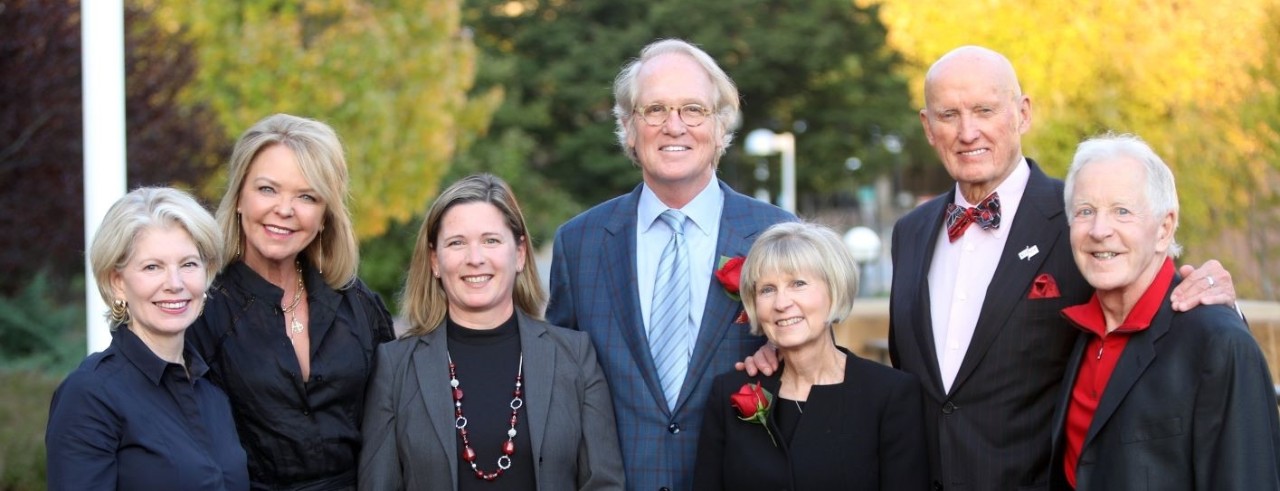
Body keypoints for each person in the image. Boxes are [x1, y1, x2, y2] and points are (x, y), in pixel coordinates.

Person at [885, 46, 1239, 490]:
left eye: (984, 110)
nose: (968, 131)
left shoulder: (1083, 221)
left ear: (1023, 113)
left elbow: (1162, 305)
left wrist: (1221, 297)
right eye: (949, 115)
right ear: (928, 127)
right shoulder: (910, 232)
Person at [546, 38, 796, 490]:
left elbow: (820, 369)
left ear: (721, 126)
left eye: (693, 110)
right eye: (655, 110)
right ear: (627, 127)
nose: (674, 126)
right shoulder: (579, 243)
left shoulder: (780, 236)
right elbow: (558, 390)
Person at [359, 173, 624, 490]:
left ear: (520, 253)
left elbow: (604, 483)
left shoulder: (575, 356)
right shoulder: (395, 366)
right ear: (434, 261)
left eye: (491, 240)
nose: (475, 259)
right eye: (457, 243)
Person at [1046, 134, 1280, 490]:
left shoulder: (1218, 343)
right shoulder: (1076, 334)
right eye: (1085, 212)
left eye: (1121, 211)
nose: (1099, 230)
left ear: (1164, 228)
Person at [186, 114, 395, 490]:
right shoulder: (200, 311)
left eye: (306, 196)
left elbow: (392, 429)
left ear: (325, 216)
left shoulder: (359, 305)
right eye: (267, 189)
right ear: (238, 198)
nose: (285, 209)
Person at [693, 222, 927, 490]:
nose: (781, 303)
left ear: (835, 289)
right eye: (767, 289)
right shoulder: (729, 392)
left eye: (798, 284)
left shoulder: (890, 395)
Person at [47, 187, 248, 490]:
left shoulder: (212, 393)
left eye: (188, 264)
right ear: (117, 283)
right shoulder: (90, 394)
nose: (175, 284)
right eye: (153, 267)